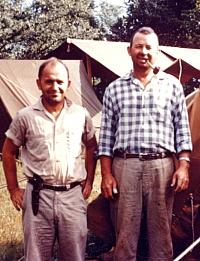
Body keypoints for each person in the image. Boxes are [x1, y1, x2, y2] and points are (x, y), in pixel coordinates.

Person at [98, 27, 192, 261]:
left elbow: (183, 129)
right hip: (125, 166)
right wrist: (107, 175)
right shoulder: (114, 89)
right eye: (138, 46)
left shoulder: (172, 86)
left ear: (157, 52)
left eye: (149, 47)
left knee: (161, 236)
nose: (144, 51)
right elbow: (106, 137)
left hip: (162, 167)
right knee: (125, 236)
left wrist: (183, 166)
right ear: (129, 50)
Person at [2, 57, 97, 261]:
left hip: (72, 196)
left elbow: (92, 147)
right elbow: (8, 152)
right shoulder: (25, 116)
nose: (55, 86)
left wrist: (89, 180)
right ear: (39, 83)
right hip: (38, 197)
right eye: (49, 81)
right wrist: (13, 190)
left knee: (75, 255)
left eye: (60, 81)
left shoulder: (81, 115)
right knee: (36, 256)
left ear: (68, 84)